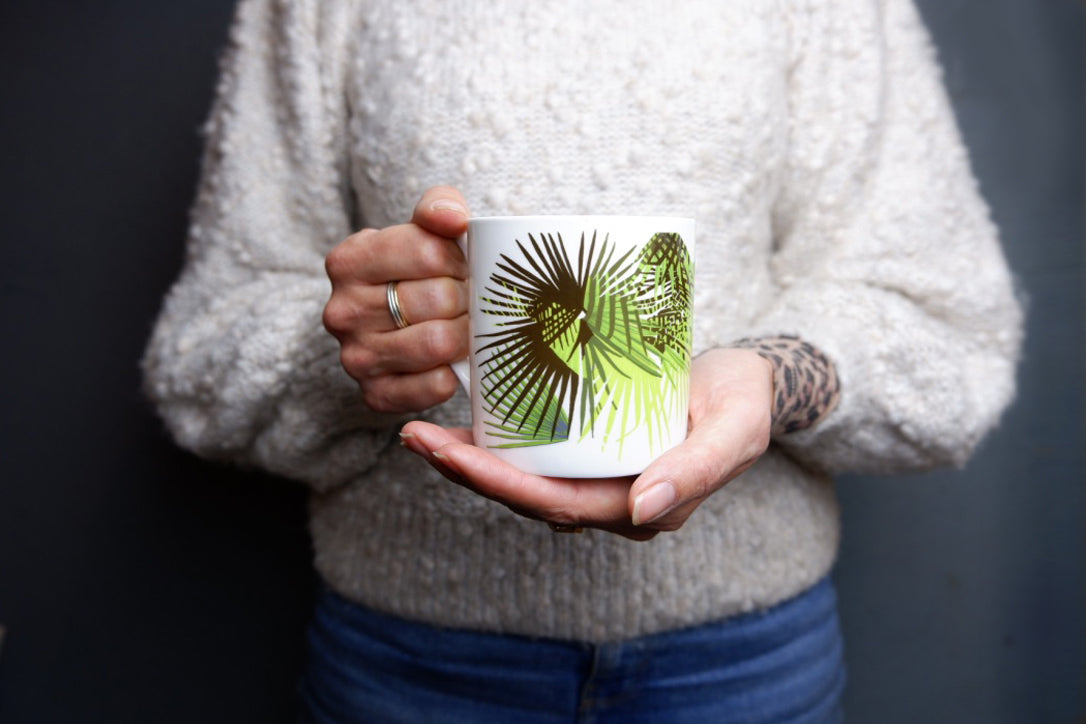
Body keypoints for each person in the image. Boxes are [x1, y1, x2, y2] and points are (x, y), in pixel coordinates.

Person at [142, 0, 1022, 721]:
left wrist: (770, 377)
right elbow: (202, 355)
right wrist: (355, 352)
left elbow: (950, 331)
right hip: (411, 669)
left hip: (742, 670)